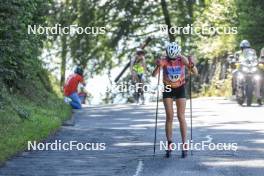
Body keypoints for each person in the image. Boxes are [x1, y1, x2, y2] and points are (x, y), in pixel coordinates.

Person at [152, 42, 198, 158]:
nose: (172, 60)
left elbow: (195, 72)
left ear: (177, 54)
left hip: (180, 88)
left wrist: (191, 64)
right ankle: (169, 144)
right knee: (169, 116)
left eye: (174, 57)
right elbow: (154, 75)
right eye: (170, 57)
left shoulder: (182, 59)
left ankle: (184, 144)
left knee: (181, 116)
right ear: (167, 54)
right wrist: (158, 65)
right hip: (167, 88)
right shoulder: (164, 60)